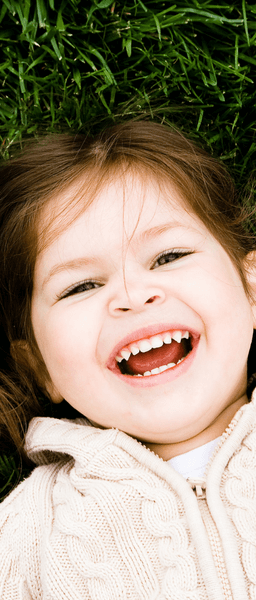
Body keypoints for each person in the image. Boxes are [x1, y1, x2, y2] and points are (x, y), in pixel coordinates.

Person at [0, 120, 256, 600]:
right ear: (39, 366)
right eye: (81, 286)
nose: (133, 296)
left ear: (253, 290)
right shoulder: (23, 536)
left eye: (169, 255)